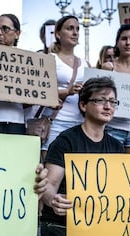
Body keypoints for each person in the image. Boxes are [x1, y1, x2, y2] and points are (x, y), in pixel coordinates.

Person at [40, 76, 123, 236]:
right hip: (60, 224)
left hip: (95, 225)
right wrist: (52, 199)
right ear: (83, 105)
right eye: (101, 100)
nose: (108, 106)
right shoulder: (66, 141)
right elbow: (49, 185)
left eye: (113, 102)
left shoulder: (116, 147)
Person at [40, 15, 89, 159]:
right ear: (57, 34)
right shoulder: (49, 59)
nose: (75, 32)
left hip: (80, 124)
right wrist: (67, 91)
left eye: (77, 29)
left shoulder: (85, 63)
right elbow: (41, 91)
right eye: (70, 28)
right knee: (50, 168)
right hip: (56, 122)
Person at [102, 24, 130, 154]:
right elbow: (98, 97)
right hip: (112, 127)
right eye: (124, 39)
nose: (128, 43)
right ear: (117, 42)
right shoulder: (108, 67)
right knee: (111, 171)